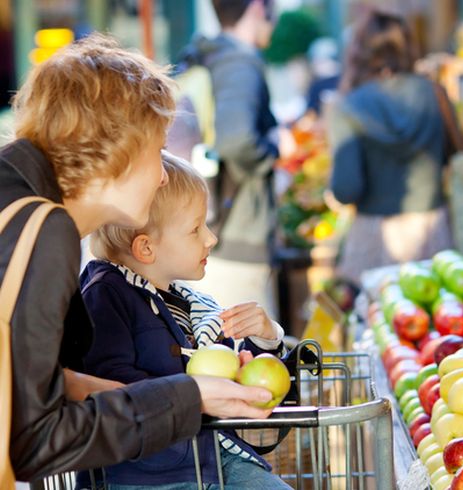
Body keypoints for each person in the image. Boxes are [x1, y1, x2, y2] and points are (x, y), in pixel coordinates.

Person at [1, 33, 274, 483]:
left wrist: (170, 394)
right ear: (116, 149)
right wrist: (188, 397)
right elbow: (37, 439)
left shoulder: (13, 190)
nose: (164, 176)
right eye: (158, 150)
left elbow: (23, 380)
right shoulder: (44, 229)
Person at [79, 153, 290, 488]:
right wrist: (191, 392)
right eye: (195, 229)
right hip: (145, 477)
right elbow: (110, 388)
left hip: (211, 461)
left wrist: (265, 340)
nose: (211, 238)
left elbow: (232, 376)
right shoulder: (105, 296)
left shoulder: (189, 303)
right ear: (146, 248)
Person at [178, 0, 289, 315]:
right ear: (258, 8)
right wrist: (274, 148)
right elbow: (237, 139)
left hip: (215, 232)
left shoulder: (208, 56)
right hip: (236, 238)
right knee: (249, 341)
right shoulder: (239, 63)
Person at [327, 10, 454, 284]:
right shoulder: (433, 92)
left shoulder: (349, 106)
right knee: (439, 305)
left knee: (377, 308)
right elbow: (452, 154)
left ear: (359, 51)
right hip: (432, 230)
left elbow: (346, 189)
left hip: (375, 236)